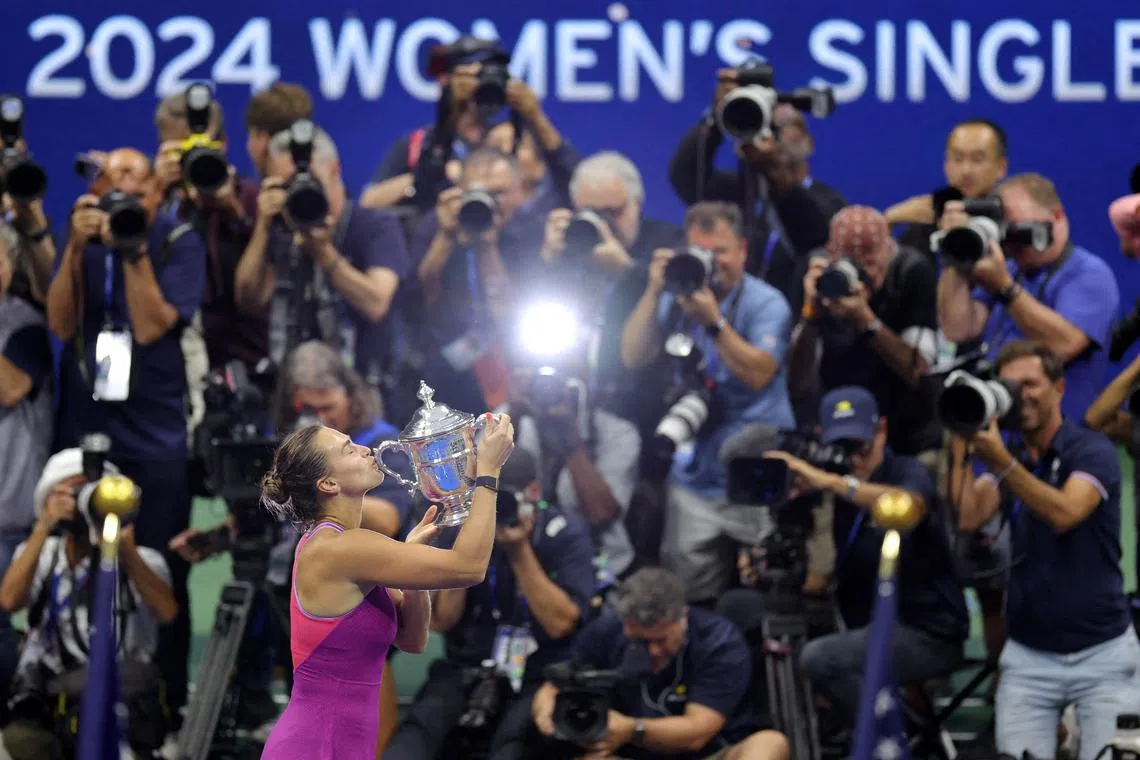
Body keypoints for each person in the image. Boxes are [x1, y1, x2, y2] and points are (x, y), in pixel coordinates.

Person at [258, 413, 516, 760]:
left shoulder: (347, 545)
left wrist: (413, 561)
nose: (366, 449)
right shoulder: (341, 548)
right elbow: (469, 568)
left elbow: (413, 639)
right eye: (348, 450)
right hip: (314, 745)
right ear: (328, 484)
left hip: (344, 744)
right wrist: (489, 471)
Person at [949, 341, 1140, 760]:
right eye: (1010, 386)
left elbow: (1066, 512)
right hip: (1029, 658)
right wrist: (962, 439)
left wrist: (1001, 463)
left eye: (1031, 384)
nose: (1021, 395)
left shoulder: (1090, 449)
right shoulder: (1010, 456)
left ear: (1059, 388)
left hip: (1102, 655)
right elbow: (968, 515)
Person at [527, 567, 791, 760]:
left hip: (707, 753)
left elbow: (698, 732)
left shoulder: (719, 642)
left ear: (682, 617)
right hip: (631, 756)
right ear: (626, 625)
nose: (653, 651)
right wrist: (546, 714)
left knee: (770, 745)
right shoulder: (607, 631)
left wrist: (632, 729)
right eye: (640, 641)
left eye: (661, 640)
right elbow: (552, 686)